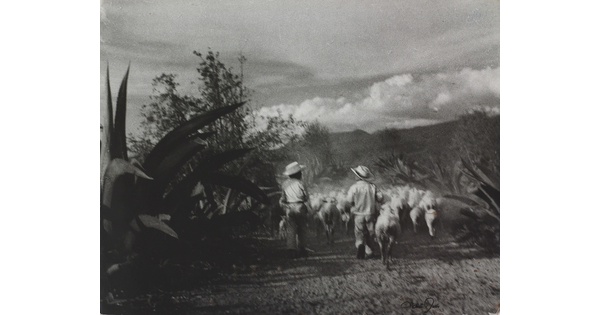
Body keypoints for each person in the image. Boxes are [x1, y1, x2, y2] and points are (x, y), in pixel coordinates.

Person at [346, 165, 383, 259]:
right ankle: (370, 252)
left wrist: (356, 202)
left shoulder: (354, 187)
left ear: (358, 176)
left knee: (359, 232)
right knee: (371, 232)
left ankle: (360, 245)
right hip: (370, 213)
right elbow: (380, 197)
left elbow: (349, 200)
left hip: (358, 214)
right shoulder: (372, 186)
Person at [279, 161, 309, 259]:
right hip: (300, 207)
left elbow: (283, 198)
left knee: (291, 229)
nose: (301, 174)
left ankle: (291, 250)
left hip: (289, 208)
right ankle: (302, 249)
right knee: (302, 228)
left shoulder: (284, 184)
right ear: (297, 173)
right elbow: (306, 197)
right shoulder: (301, 183)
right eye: (300, 172)